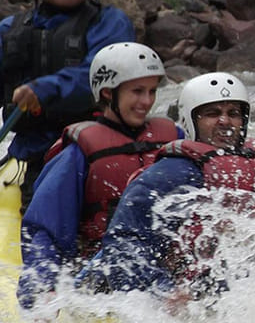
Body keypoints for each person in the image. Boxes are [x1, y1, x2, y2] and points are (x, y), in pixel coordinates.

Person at [77, 72, 255, 300]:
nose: (225, 121)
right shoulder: (170, 172)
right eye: (212, 113)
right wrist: (162, 293)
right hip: (200, 285)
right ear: (191, 120)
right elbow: (128, 244)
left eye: (233, 113)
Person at [17, 42, 181, 308]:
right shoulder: (78, 153)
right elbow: (47, 229)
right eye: (137, 91)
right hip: (103, 278)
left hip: (165, 271)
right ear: (107, 93)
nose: (147, 101)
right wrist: (42, 287)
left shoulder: (173, 139)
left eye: (152, 91)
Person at [0, 0, 135, 207]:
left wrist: (44, 88)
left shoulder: (111, 24)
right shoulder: (9, 30)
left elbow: (102, 74)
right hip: (27, 157)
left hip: (91, 155)